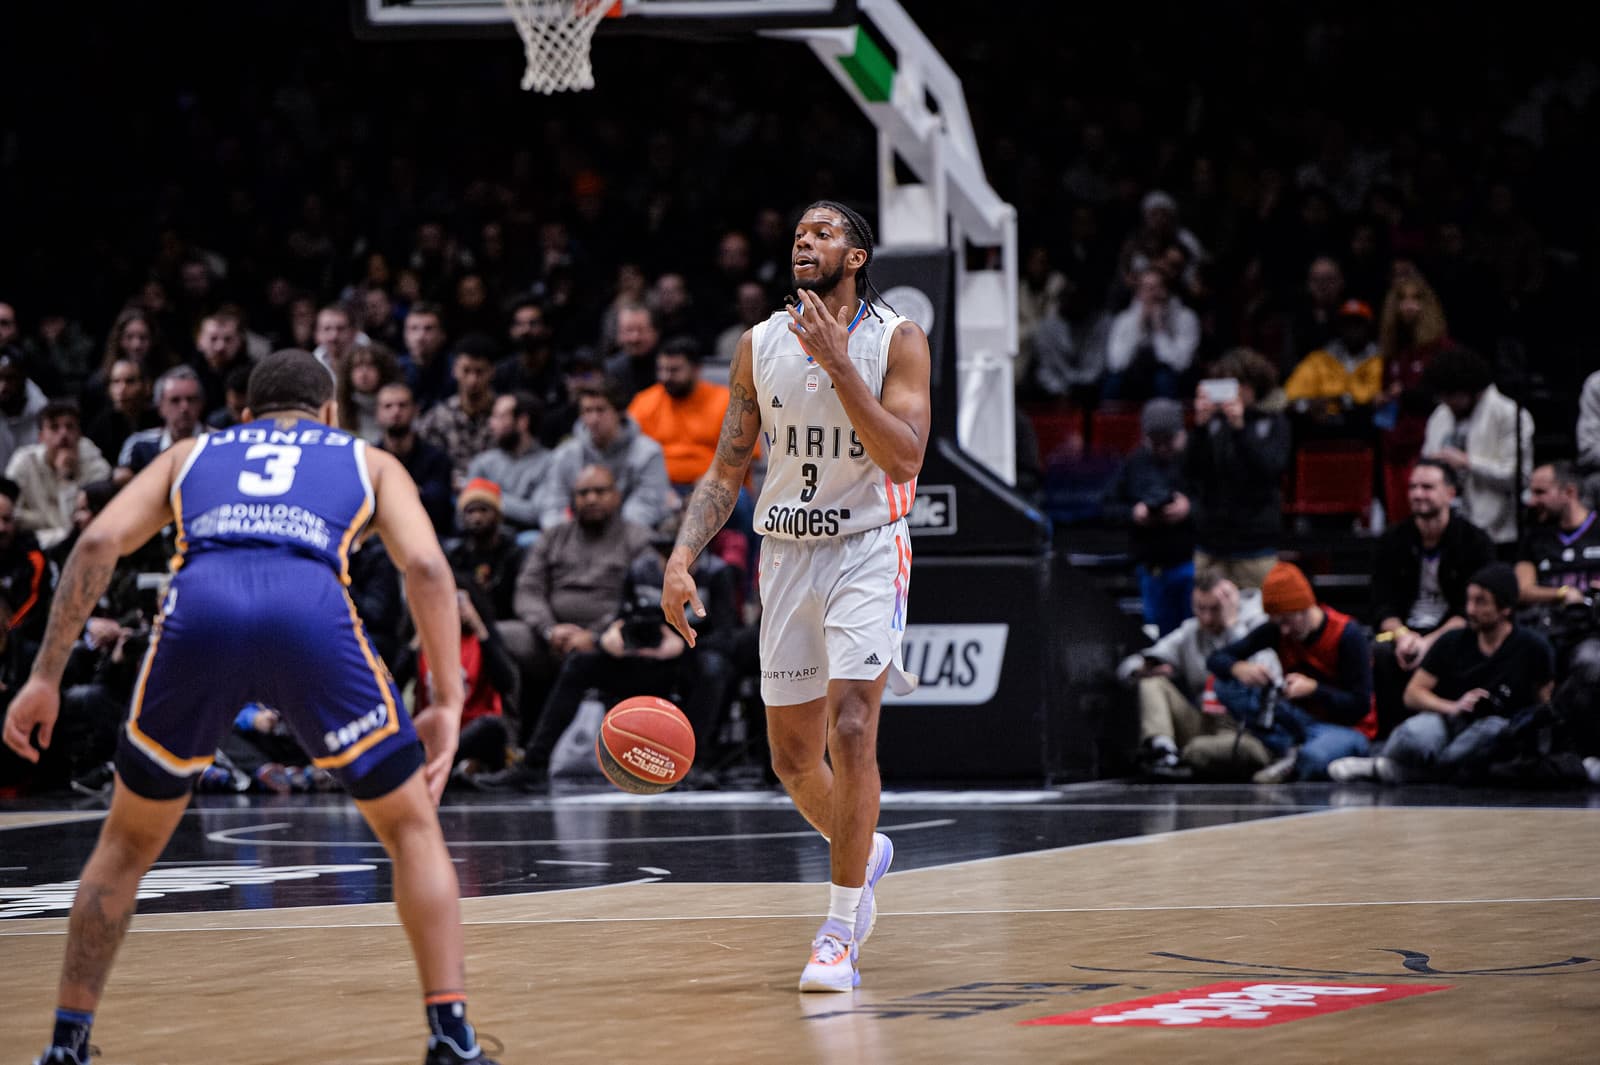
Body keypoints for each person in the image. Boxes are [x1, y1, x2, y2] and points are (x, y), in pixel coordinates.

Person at [1, 349, 501, 1065]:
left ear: (244, 415)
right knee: (410, 827)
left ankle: (64, 1045)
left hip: (201, 604)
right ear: (329, 412)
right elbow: (425, 566)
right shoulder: (366, 457)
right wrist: (448, 700)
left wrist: (44, 674)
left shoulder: (194, 451)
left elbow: (99, 541)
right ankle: (451, 1034)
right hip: (308, 606)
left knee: (126, 844)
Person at [662, 200, 930, 992]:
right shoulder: (757, 345)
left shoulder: (897, 337)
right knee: (791, 758)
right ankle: (866, 849)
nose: (804, 241)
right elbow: (725, 469)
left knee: (852, 726)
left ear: (857, 255)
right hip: (784, 555)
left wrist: (840, 361)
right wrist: (682, 558)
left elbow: (906, 456)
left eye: (824, 232)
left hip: (866, 550)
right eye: (799, 232)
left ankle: (839, 929)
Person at [1330, 563, 1554, 785]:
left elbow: (1544, 705)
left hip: (1500, 728)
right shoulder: (1453, 640)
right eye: (1469, 600)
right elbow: (1412, 694)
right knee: (1413, 735)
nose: (1470, 610)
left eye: (1481, 602)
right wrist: (1455, 706)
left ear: (1505, 608)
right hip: (1450, 719)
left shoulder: (1533, 647)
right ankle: (1404, 767)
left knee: (1489, 734)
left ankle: (1397, 772)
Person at [1200, 561, 1376, 782]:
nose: (1284, 630)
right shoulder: (1278, 630)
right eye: (1277, 622)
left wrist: (1314, 690)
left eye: (1287, 621)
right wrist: (1238, 667)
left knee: (1314, 757)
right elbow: (1216, 659)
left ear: (1305, 607)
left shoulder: (1347, 635)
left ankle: (1294, 756)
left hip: (1347, 728)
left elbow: (1360, 705)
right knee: (1224, 684)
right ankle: (1290, 752)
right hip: (1298, 722)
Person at [1369, 458, 1495, 737]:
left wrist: (1429, 643)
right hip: (1405, 631)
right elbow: (1381, 604)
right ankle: (1389, 737)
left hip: (1454, 632)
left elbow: (1471, 611)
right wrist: (1403, 635)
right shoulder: (1393, 539)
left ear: (1450, 493)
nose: (1417, 494)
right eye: (1413, 487)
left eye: (1427, 487)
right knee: (1382, 652)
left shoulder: (1474, 541)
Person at [1115, 572, 1278, 779]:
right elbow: (1127, 668)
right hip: (1204, 722)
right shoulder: (1191, 632)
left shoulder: (1259, 627)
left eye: (1215, 609)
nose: (1207, 617)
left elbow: (1264, 675)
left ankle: (1188, 757)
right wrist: (1142, 668)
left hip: (1244, 729)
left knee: (1198, 749)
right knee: (1153, 682)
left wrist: (1232, 626)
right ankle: (1163, 753)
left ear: (1231, 602)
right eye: (1201, 608)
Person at [1420, 345, 1533, 550]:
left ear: (1471, 391)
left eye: (1451, 396)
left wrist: (1468, 463)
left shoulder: (1509, 414)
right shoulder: (1440, 416)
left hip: (1495, 532)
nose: (1447, 403)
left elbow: (1519, 477)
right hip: (1446, 531)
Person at [1100, 397, 1194, 635]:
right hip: (1152, 568)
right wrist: (1134, 512)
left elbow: (1222, 504)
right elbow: (1106, 507)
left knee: (1195, 631)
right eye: (1155, 442)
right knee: (1161, 636)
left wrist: (1189, 508)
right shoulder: (1135, 462)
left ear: (1181, 433)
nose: (1162, 448)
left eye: (1168, 441)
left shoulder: (1198, 458)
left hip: (1192, 563)